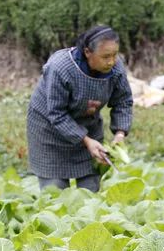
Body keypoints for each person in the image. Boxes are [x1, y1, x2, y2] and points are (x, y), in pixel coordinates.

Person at [26, 25, 134, 192]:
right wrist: (86, 140)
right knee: (56, 193)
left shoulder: (115, 68)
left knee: (91, 190)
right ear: (87, 52)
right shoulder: (60, 68)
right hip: (50, 131)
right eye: (105, 56)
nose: (111, 61)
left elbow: (123, 101)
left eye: (114, 55)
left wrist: (119, 134)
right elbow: (57, 114)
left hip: (88, 126)